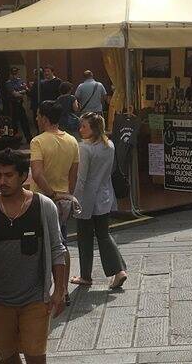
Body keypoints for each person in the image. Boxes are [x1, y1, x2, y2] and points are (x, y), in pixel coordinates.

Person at [0, 149, 67, 364]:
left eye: (8, 175)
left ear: (23, 176)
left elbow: (58, 250)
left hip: (34, 299)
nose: (2, 181)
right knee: (8, 358)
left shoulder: (43, 207)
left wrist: (59, 291)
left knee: (36, 357)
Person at [70, 113, 127, 289]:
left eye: (84, 127)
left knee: (84, 237)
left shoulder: (85, 148)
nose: (80, 130)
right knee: (103, 234)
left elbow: (82, 178)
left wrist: (73, 196)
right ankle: (119, 270)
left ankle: (86, 276)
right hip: (104, 195)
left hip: (86, 197)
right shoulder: (109, 145)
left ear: (93, 129)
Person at [30, 100, 80, 294]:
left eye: (37, 115)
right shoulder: (72, 141)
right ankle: (64, 289)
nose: (36, 118)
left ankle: (42, 289)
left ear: (43, 118)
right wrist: (66, 195)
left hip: (42, 199)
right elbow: (73, 176)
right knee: (62, 244)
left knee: (41, 245)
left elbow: (37, 174)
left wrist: (50, 194)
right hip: (64, 200)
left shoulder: (38, 141)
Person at [5, 67, 32, 143]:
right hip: (13, 105)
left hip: (20, 104)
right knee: (14, 123)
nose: (15, 75)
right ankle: (14, 140)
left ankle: (29, 138)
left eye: (16, 73)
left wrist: (22, 91)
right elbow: (15, 94)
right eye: (13, 73)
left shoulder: (20, 80)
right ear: (10, 74)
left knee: (25, 122)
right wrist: (22, 92)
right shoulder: (8, 83)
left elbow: (27, 90)